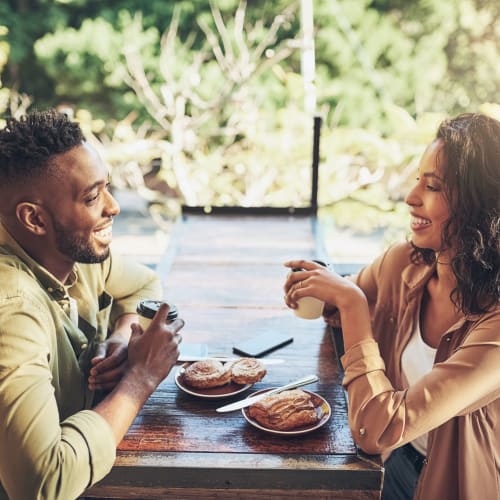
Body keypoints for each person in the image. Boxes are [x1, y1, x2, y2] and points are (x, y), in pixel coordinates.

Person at [284, 113, 500, 500]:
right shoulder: (407, 262)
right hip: (395, 462)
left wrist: (350, 304)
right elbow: (344, 304)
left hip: (457, 485)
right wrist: (319, 287)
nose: (411, 197)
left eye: (432, 186)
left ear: (480, 207)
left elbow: (374, 432)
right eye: (418, 179)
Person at [0, 109, 185, 499]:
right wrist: (139, 380)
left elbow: (145, 284)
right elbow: (41, 484)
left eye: (107, 188)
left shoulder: (65, 250)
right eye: (92, 197)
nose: (113, 207)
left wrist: (120, 336)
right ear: (34, 218)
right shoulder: (13, 309)